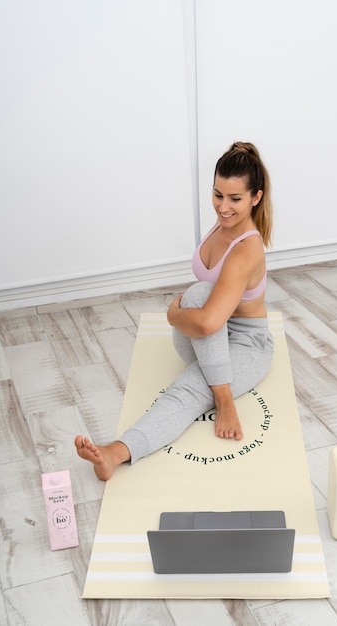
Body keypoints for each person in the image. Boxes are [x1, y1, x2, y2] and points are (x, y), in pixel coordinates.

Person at [75, 141, 274, 480]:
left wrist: (174, 316)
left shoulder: (247, 250)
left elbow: (210, 322)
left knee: (189, 386)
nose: (223, 207)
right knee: (199, 296)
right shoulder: (222, 223)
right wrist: (189, 318)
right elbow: (207, 320)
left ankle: (117, 452)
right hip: (204, 340)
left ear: (256, 197)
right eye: (217, 195)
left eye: (235, 199)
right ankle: (216, 381)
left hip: (245, 346)